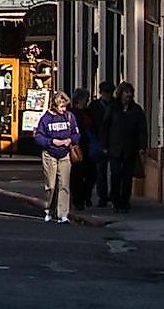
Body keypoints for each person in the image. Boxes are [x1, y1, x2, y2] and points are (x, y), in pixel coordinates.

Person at [32, 91, 83, 223]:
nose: (63, 109)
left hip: (65, 153)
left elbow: (76, 133)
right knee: (51, 185)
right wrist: (51, 142)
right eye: (61, 106)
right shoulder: (46, 119)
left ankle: (63, 214)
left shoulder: (69, 117)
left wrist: (70, 140)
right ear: (54, 106)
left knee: (64, 184)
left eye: (65, 106)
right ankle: (48, 209)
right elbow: (39, 137)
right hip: (50, 154)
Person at [104, 82, 149, 210]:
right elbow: (105, 127)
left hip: (130, 148)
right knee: (116, 174)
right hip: (115, 147)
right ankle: (115, 199)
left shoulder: (136, 110)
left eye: (130, 93)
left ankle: (125, 200)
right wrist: (104, 145)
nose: (128, 95)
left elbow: (142, 129)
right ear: (120, 94)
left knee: (127, 176)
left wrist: (142, 146)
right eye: (125, 92)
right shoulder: (113, 108)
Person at [78, 81, 113, 209]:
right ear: (101, 93)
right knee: (100, 171)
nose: (107, 95)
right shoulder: (94, 107)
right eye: (105, 93)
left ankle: (112, 195)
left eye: (109, 93)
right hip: (98, 142)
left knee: (114, 172)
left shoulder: (115, 105)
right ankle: (102, 197)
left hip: (113, 141)